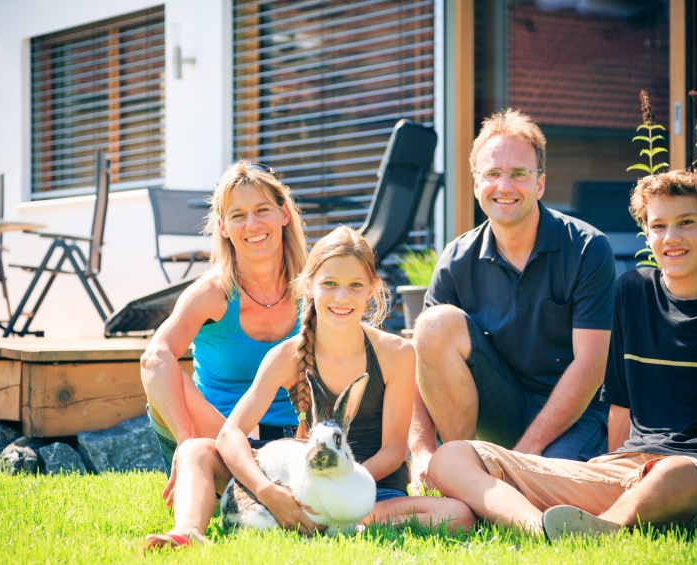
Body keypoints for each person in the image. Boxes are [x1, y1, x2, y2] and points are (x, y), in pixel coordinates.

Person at [428, 169, 697, 539]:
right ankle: (539, 528)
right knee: (451, 457)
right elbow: (620, 407)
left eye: (686, 223)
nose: (671, 238)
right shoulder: (634, 290)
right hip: (624, 468)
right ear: (647, 235)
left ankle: (602, 528)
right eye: (658, 226)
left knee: (675, 472)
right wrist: (605, 469)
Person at [216, 226, 475, 535]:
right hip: (313, 491)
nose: (342, 297)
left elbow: (393, 452)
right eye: (329, 283)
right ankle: (331, 525)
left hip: (373, 493)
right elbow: (229, 434)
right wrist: (267, 491)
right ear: (309, 285)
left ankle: (340, 525)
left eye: (355, 285)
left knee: (458, 515)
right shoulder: (285, 356)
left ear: (371, 289)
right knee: (197, 451)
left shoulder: (397, 353)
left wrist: (346, 487)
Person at [409, 109, 616, 490]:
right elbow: (423, 358)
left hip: (576, 413)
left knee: (544, 488)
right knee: (434, 325)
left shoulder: (588, 248)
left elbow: (591, 365)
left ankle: (492, 478)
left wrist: (525, 453)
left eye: (519, 173)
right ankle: (461, 469)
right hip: (501, 407)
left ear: (539, 183)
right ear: (476, 183)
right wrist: (422, 449)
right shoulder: (456, 260)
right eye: (492, 173)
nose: (504, 186)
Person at [140, 160, 307, 548]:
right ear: (223, 227)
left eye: (262, 210)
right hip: (222, 442)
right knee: (172, 387)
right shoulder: (212, 292)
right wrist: (185, 438)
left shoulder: (312, 289)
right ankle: (188, 532)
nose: (252, 224)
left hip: (293, 446)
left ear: (284, 214)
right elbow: (154, 359)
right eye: (238, 215)